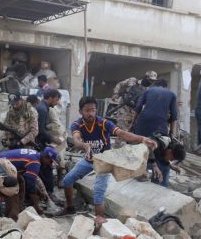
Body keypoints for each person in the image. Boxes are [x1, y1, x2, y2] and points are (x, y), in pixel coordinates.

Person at [59, 96, 157, 225]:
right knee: (67, 180)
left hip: (104, 161)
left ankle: (99, 218)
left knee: (98, 192)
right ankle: (70, 208)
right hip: (88, 160)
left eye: (93, 110)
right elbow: (76, 139)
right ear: (80, 111)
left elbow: (122, 133)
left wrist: (142, 138)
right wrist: (83, 145)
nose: (90, 113)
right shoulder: (77, 124)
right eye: (87, 110)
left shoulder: (104, 123)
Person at [0, 146, 58, 218]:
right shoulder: (35, 162)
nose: (50, 164)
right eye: (50, 161)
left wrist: (39, 192)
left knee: (21, 181)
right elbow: (30, 185)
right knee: (14, 188)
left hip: (0, 162)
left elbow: (29, 179)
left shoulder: (35, 155)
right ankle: (12, 217)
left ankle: (20, 209)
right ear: (45, 157)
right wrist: (37, 207)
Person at [35, 88, 62, 199]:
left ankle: (46, 193)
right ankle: (48, 193)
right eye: (56, 99)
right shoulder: (42, 109)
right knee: (47, 167)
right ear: (50, 98)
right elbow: (40, 130)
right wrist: (53, 139)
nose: (57, 102)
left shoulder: (43, 108)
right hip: (39, 144)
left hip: (41, 142)